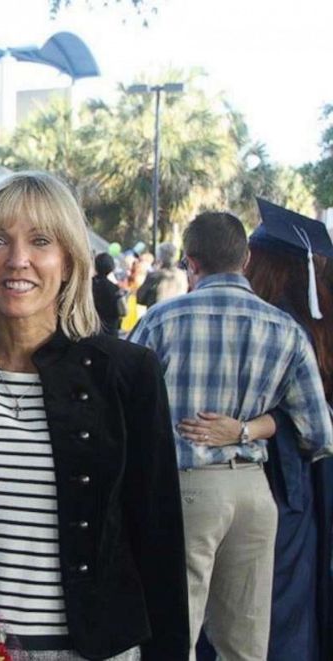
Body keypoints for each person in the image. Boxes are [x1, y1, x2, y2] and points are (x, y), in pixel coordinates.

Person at [0, 171, 188, 660]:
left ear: (70, 259)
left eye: (40, 241)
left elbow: (158, 534)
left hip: (92, 650)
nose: (18, 260)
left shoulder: (124, 373)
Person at [129, 210, 333, 661]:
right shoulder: (285, 330)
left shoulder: (162, 321)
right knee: (245, 644)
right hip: (253, 491)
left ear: (191, 263)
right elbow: (319, 433)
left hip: (186, 487)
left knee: (174, 631)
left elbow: (126, 411)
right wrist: (248, 429)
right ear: (244, 261)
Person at [136, 242, 187, 308]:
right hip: (176, 312)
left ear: (159, 258)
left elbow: (139, 298)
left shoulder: (155, 275)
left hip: (157, 314)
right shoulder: (182, 275)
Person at [92, 252, 126, 336]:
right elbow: (123, 311)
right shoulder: (114, 288)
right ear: (111, 268)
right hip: (110, 331)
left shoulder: (88, 284)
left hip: (91, 328)